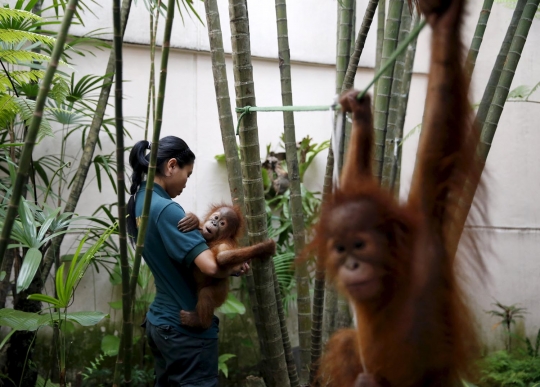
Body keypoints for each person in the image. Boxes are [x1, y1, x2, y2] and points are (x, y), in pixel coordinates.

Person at [127, 136, 248, 387]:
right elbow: (211, 267)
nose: (186, 182)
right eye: (188, 174)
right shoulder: (168, 209)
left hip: (160, 322)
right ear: (172, 166)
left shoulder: (139, 203)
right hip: (183, 330)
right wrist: (236, 264)